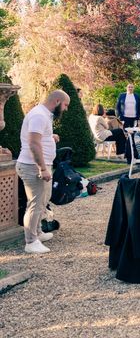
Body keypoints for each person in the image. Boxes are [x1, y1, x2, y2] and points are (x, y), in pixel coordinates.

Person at [16, 90, 70, 254]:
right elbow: (33, 143)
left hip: (40, 165)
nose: (66, 109)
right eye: (66, 105)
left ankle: (38, 232)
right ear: (57, 101)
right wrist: (42, 168)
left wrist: (50, 137)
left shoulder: (44, 114)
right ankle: (30, 241)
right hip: (33, 167)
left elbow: (37, 137)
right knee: (35, 204)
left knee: (41, 202)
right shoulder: (39, 115)